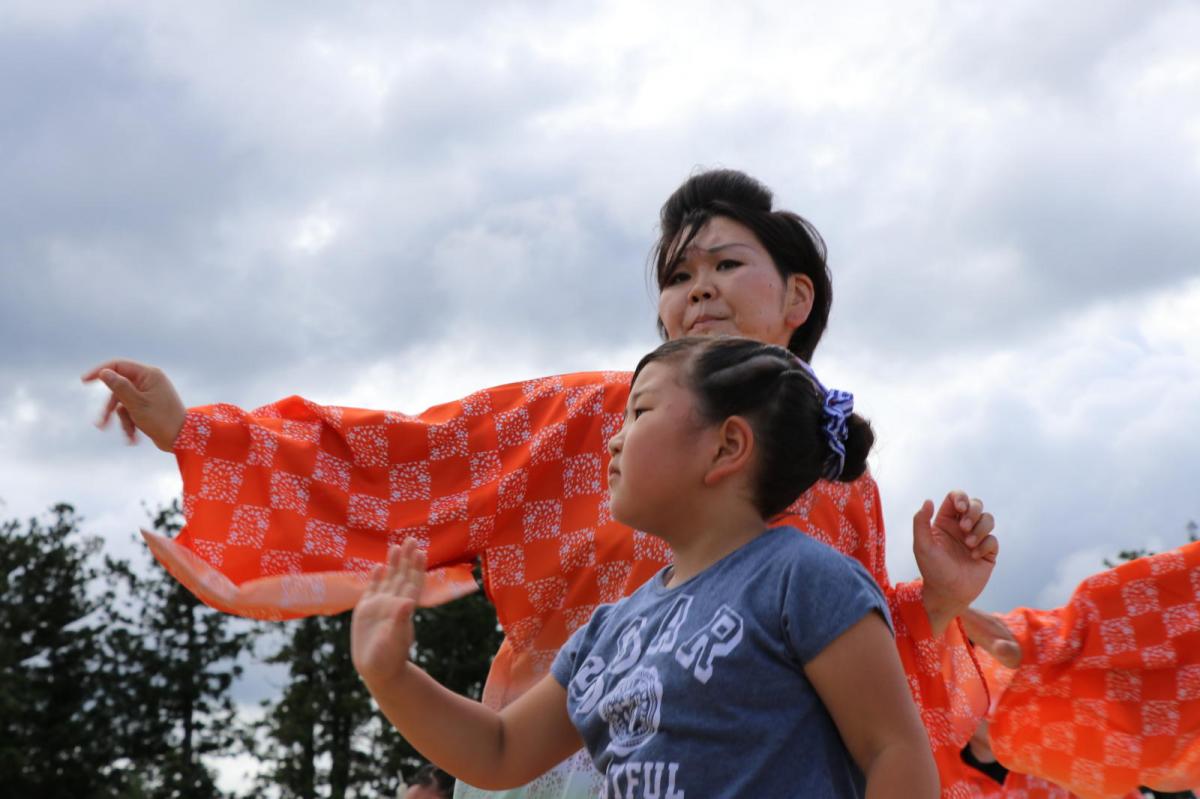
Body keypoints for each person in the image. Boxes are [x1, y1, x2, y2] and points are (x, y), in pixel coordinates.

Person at [83, 168, 1199, 796]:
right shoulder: (594, 410)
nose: (696, 290)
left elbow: (876, 704)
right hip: (567, 748)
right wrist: (204, 432)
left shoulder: (838, 492)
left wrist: (943, 605)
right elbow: (405, 458)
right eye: (676, 277)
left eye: (725, 263)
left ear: (797, 296)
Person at [353, 336, 939, 798]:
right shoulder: (608, 632)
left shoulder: (803, 578)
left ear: (727, 447)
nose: (614, 440)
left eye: (640, 411)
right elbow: (499, 751)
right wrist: (392, 678)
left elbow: (894, 750)